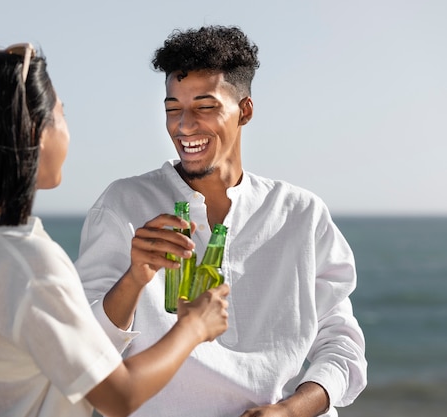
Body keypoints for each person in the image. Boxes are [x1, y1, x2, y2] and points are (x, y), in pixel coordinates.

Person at [0, 42, 231, 417]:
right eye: (62, 114)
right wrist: (193, 327)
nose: (69, 132)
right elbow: (119, 397)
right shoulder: (29, 261)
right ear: (36, 132)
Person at [75, 26, 367, 417]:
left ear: (244, 110)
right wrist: (133, 278)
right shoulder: (123, 205)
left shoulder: (300, 213)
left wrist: (292, 410)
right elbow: (85, 353)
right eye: (173, 109)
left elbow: (341, 343)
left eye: (204, 106)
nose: (184, 125)